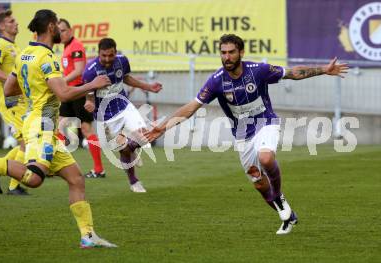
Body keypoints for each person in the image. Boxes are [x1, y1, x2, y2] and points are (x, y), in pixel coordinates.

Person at [144, 34, 348, 235]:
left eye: (231, 52)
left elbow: (292, 73)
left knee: (266, 158)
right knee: (258, 182)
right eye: (223, 53)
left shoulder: (258, 70)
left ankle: (277, 196)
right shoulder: (216, 81)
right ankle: (286, 212)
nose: (227, 57)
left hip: (265, 122)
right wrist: (162, 127)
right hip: (242, 135)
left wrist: (323, 70)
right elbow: (192, 107)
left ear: (241, 52)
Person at [0, 9, 116, 248]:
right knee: (33, 178)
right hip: (41, 123)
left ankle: (88, 237)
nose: (60, 31)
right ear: (50, 27)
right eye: (57, 26)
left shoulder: (25, 53)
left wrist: (37, 88)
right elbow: (63, 93)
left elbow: (9, 89)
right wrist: (93, 84)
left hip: (42, 123)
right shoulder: (48, 58)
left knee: (76, 179)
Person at [83, 38, 162, 193]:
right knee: (124, 149)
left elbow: (125, 78)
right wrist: (89, 103)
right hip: (105, 117)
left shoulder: (122, 61)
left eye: (110, 55)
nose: (107, 59)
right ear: (98, 53)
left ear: (115, 52)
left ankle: (132, 150)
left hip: (124, 106)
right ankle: (133, 181)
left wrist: (148, 87)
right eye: (103, 56)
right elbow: (89, 95)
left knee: (145, 135)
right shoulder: (90, 70)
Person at [0, 9, 28, 195]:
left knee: (25, 143)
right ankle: (14, 186)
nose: (16, 23)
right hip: (10, 103)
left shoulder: (15, 46)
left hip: (21, 102)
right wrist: (13, 82)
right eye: (11, 21)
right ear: (2, 26)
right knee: (26, 143)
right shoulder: (0, 45)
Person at [57, 18, 105, 178]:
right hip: (69, 91)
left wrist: (61, 82)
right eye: (59, 31)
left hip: (78, 90)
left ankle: (99, 169)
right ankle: (56, 166)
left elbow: (79, 71)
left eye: (63, 30)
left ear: (70, 30)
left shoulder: (76, 46)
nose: (61, 33)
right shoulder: (66, 47)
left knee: (86, 128)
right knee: (60, 126)